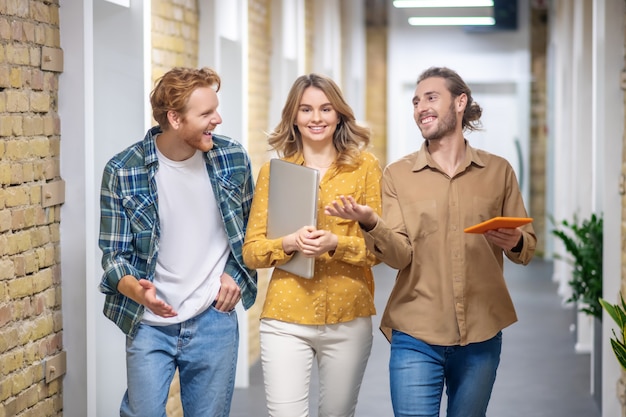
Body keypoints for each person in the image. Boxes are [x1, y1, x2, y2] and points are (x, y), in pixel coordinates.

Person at [325, 66, 537, 417]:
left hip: (481, 333)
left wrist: (514, 240)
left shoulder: (498, 172)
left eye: (431, 97)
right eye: (415, 101)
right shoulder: (398, 175)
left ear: (460, 102)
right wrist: (372, 223)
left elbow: (527, 250)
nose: (420, 107)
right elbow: (398, 256)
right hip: (415, 332)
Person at [98, 66, 257, 417]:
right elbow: (114, 255)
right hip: (149, 324)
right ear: (174, 118)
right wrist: (138, 292)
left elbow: (251, 232)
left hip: (213, 318)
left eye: (215, 109)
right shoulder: (123, 170)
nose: (218, 119)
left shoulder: (232, 159)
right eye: (206, 114)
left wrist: (234, 274)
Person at [242, 73, 382, 417]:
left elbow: (380, 249)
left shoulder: (365, 168)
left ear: (339, 115)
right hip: (286, 318)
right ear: (294, 116)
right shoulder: (274, 173)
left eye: (325, 109)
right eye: (306, 109)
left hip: (348, 316)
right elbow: (252, 251)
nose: (316, 118)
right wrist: (289, 243)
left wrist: (337, 243)